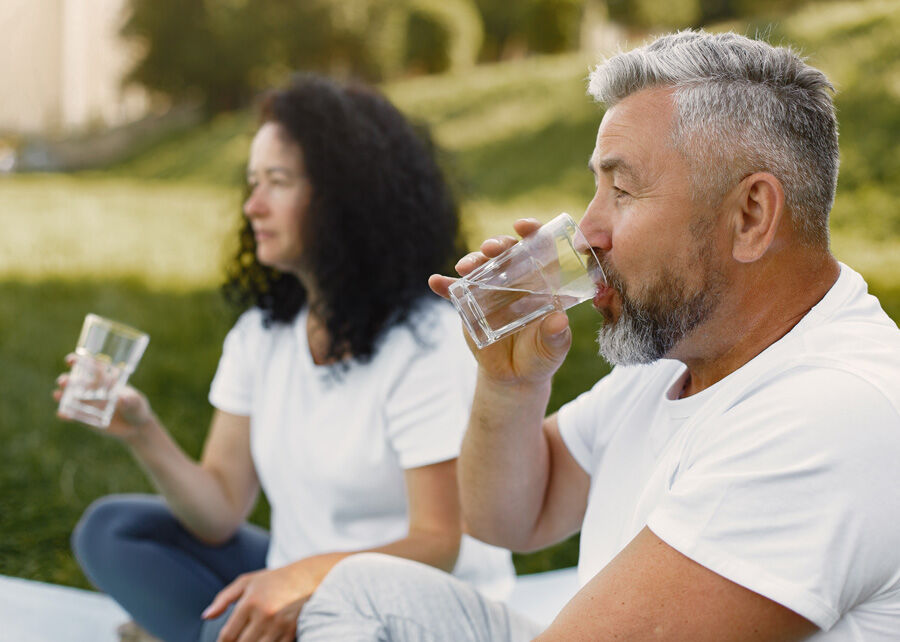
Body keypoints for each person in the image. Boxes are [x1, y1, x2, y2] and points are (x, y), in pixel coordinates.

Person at [293, 31, 900, 641]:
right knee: (362, 592)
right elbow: (507, 517)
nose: (585, 232)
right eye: (596, 189)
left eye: (622, 190)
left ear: (750, 216)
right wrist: (508, 385)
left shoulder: (829, 415)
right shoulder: (691, 355)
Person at [56, 73, 514, 642]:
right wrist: (140, 430)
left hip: (416, 607)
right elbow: (220, 510)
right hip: (297, 580)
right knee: (113, 531)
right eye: (252, 182)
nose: (252, 205)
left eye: (277, 181)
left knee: (235, 624)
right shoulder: (261, 336)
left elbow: (438, 543)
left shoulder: (425, 342)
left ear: (344, 196)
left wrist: (299, 582)